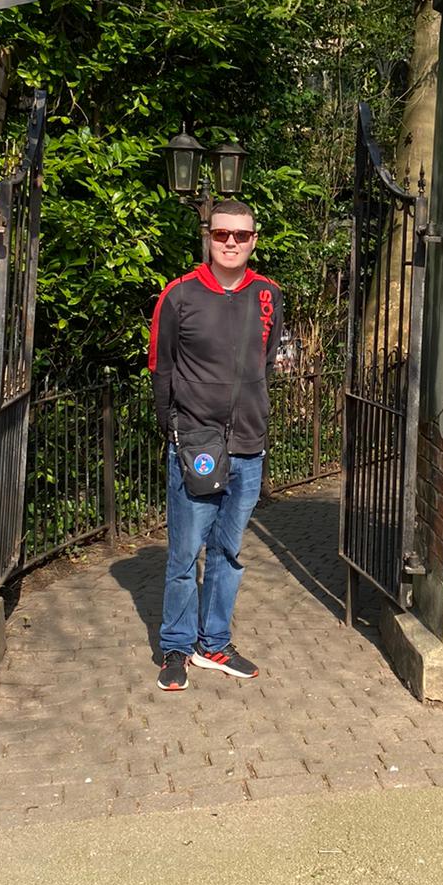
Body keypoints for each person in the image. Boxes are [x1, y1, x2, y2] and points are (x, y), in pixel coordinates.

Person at [148, 200, 282, 691]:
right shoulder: (179, 295)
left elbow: (265, 361)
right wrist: (175, 430)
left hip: (248, 443)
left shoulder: (268, 294)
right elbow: (161, 368)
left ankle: (215, 644)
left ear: (253, 240)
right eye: (222, 233)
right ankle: (176, 647)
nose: (231, 242)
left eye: (241, 235)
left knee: (229, 552)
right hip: (196, 444)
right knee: (185, 556)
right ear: (209, 236)